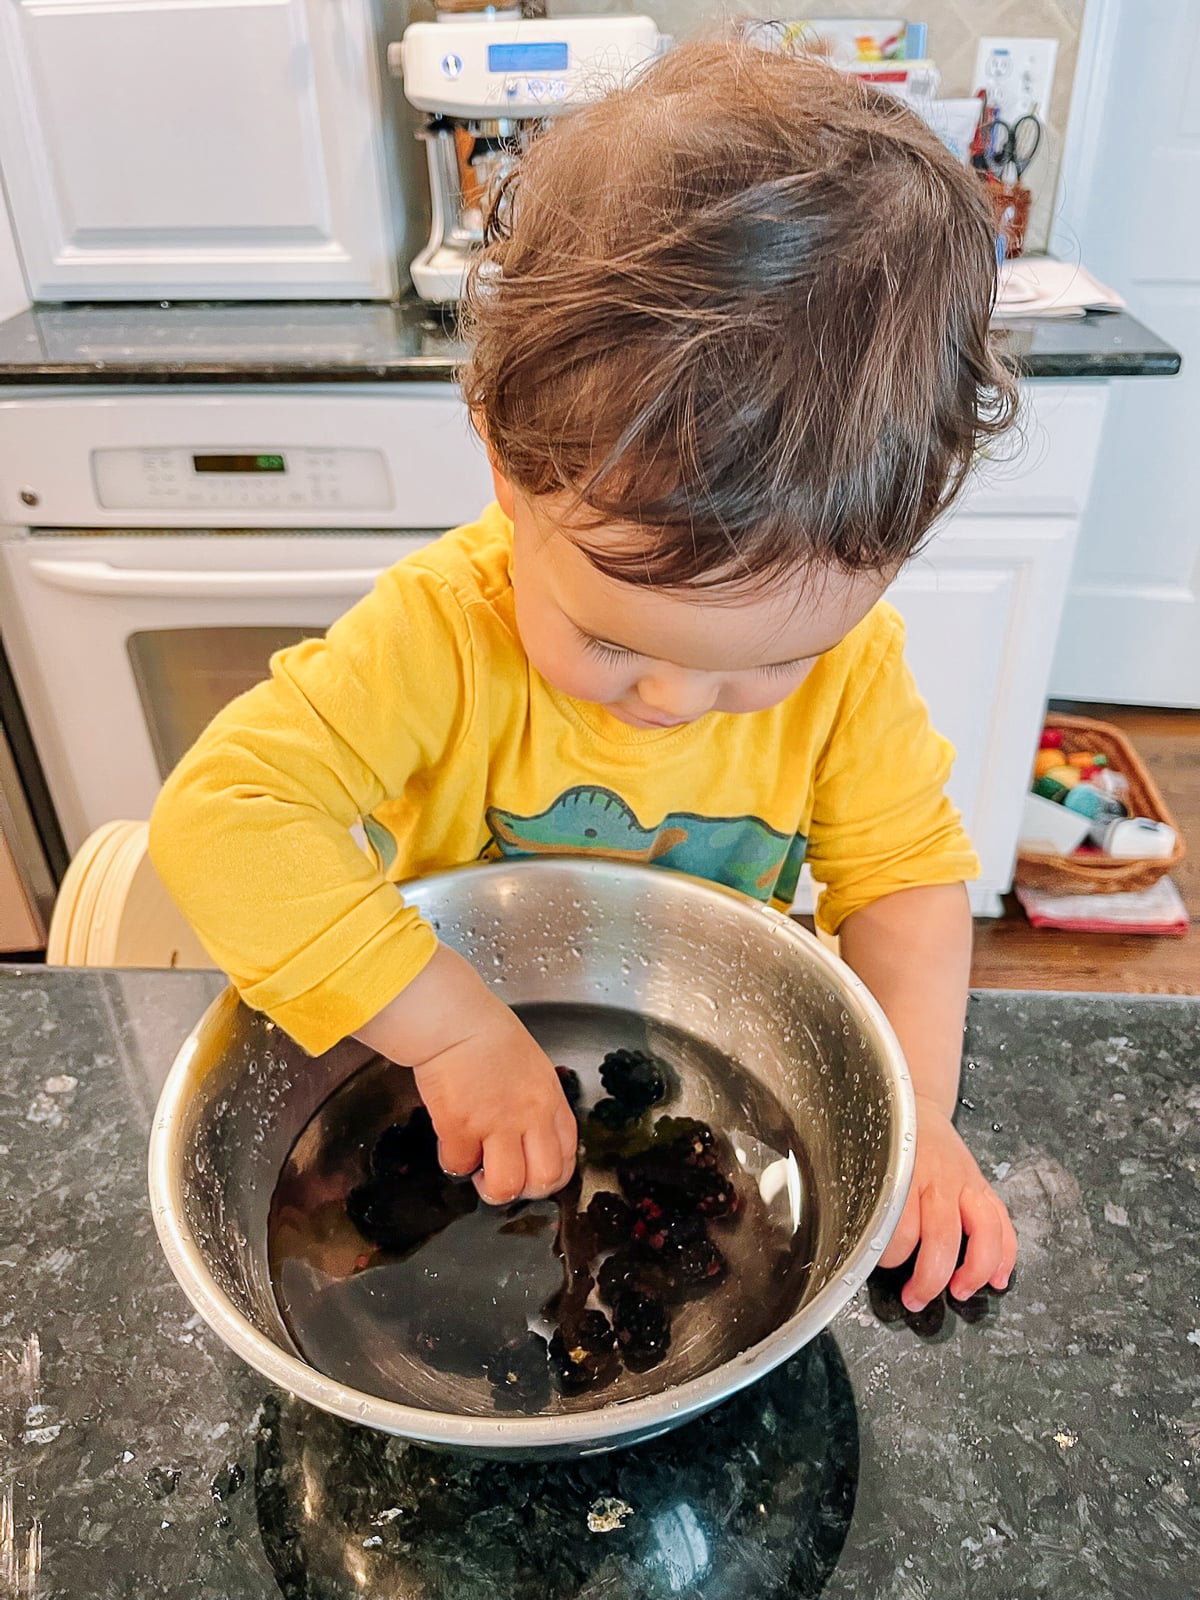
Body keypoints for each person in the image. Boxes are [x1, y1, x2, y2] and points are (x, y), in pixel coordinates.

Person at [150, 36, 1019, 1313]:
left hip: (683, 1107)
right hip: (438, 1070)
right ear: (507, 468)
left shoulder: (854, 669)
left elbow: (904, 883)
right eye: (614, 640)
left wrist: (919, 1112)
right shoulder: (443, 632)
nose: (668, 701)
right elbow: (221, 816)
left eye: (771, 658)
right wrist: (446, 1028)